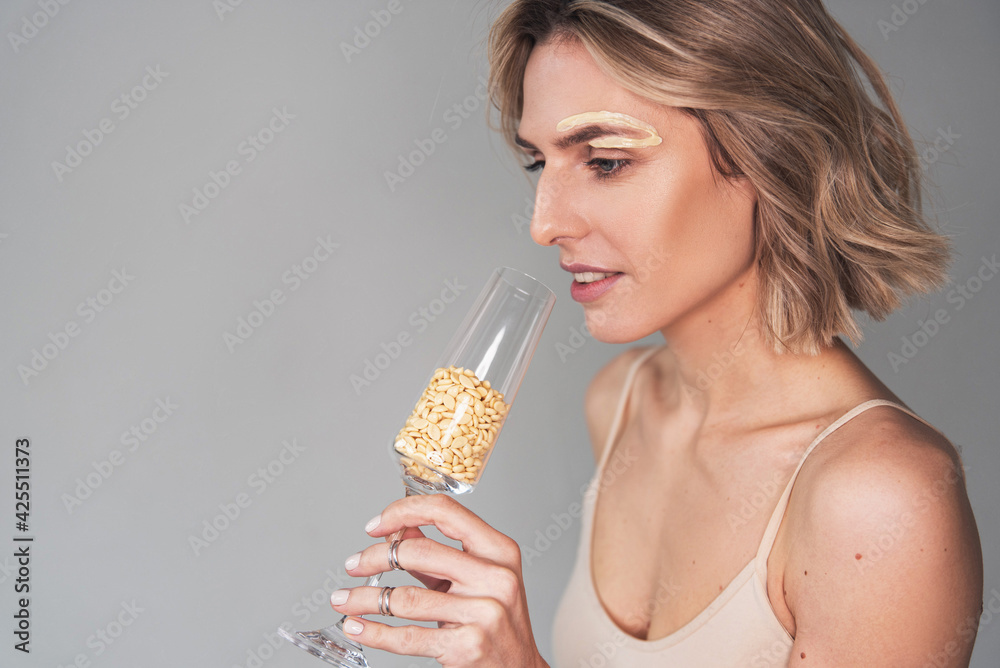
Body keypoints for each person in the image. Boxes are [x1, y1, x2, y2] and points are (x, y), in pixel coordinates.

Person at [327, 1, 984, 665]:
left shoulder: (883, 500)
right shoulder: (622, 402)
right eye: (538, 163)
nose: (544, 223)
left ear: (767, 154)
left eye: (605, 161)